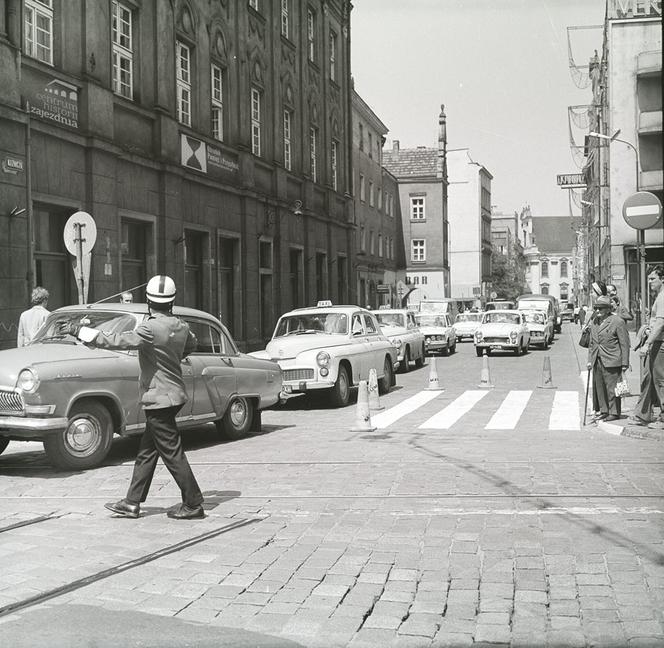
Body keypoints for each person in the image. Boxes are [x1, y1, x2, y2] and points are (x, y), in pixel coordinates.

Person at [58, 275, 204, 520]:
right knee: (148, 451)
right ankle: (132, 502)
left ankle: (193, 503)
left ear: (149, 301)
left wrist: (79, 330)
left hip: (159, 398)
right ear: (172, 301)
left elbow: (116, 340)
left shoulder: (149, 328)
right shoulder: (181, 326)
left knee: (171, 452)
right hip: (173, 395)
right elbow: (191, 345)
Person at [628, 266, 664, 429]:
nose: (649, 282)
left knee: (660, 380)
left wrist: (648, 343)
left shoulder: (663, 297)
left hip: (659, 343)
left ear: (662, 279)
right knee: (649, 378)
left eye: (652, 279)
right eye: (648, 279)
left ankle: (662, 418)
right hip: (656, 342)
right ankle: (643, 414)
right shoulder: (658, 297)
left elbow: (661, 323)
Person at [587, 295, 630, 422]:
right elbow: (591, 344)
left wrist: (625, 363)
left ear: (608, 309)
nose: (598, 310)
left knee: (612, 389)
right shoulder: (595, 321)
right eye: (596, 308)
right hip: (597, 359)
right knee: (599, 387)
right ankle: (604, 410)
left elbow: (624, 343)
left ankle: (614, 412)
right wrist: (590, 360)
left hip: (612, 359)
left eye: (601, 308)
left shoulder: (617, 321)